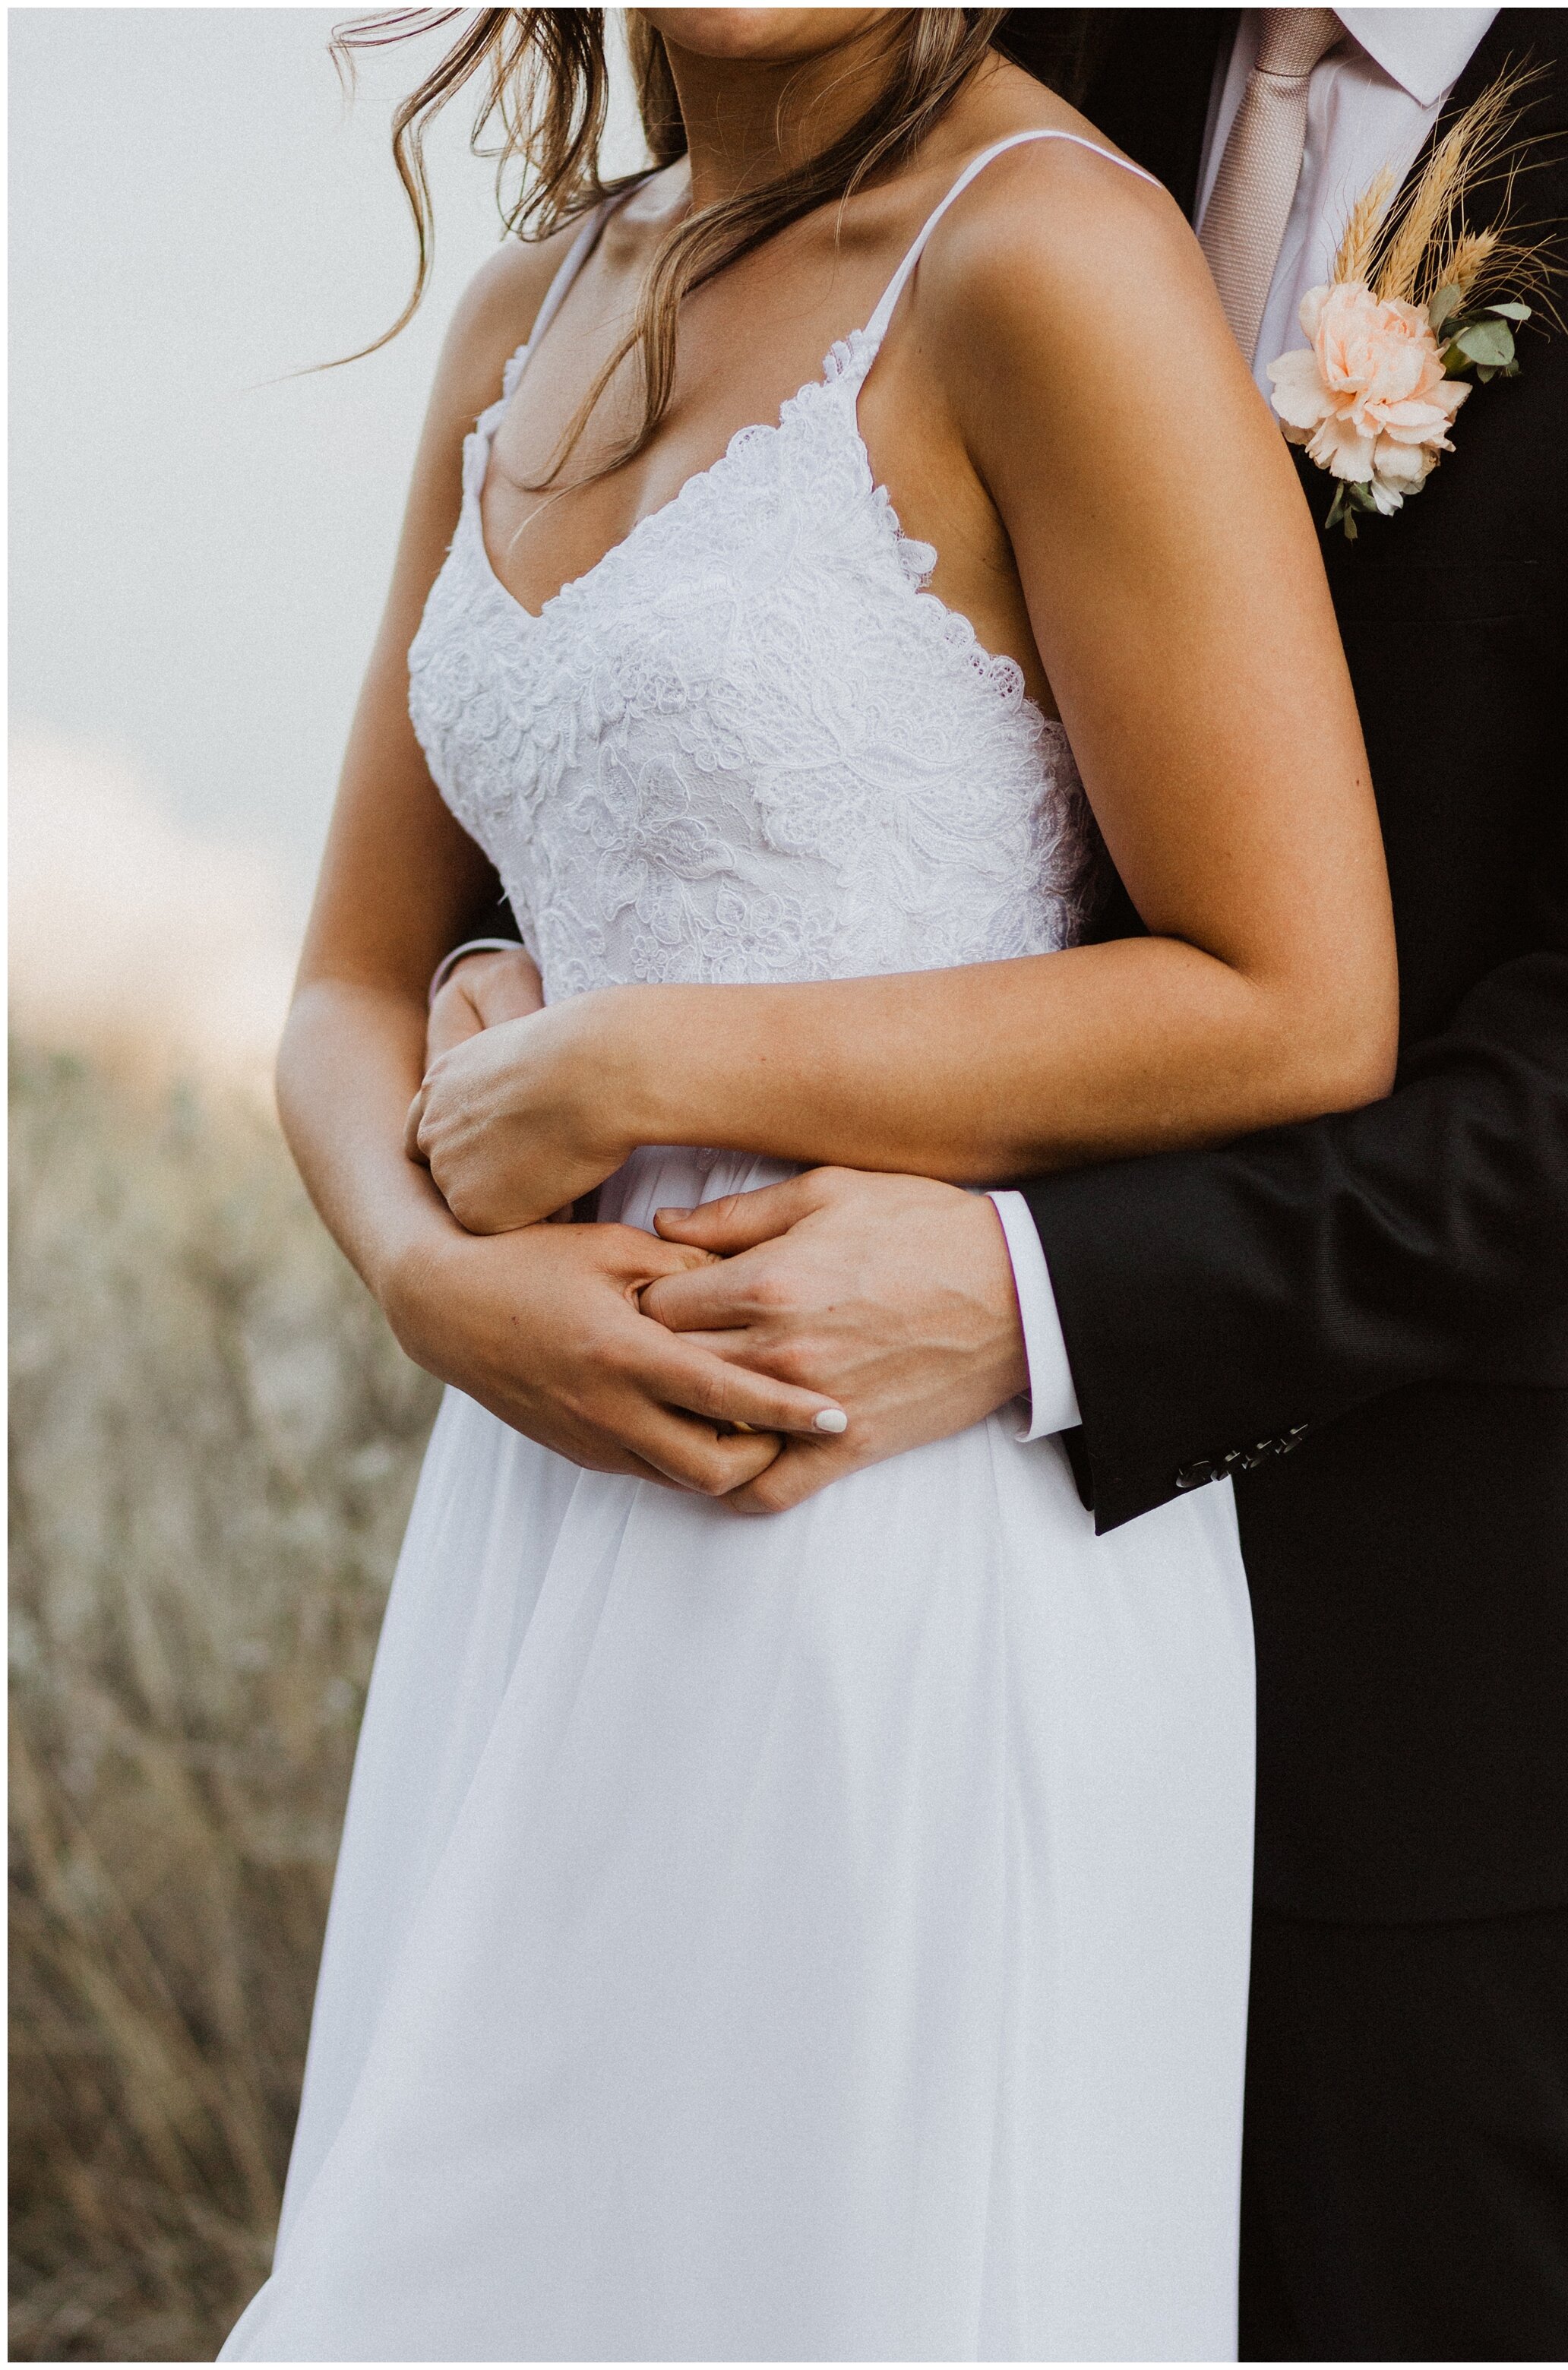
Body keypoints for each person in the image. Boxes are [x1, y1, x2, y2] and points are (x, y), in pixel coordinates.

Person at [432, 6, 1568, 2360]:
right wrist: (520, 979)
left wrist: (1035, 1295)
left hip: (1443, 1621)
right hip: (887, 1612)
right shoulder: (1003, 43)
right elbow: (745, 655)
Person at [223, 9, 1400, 2360]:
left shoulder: (1046, 257)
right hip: (534, 1515)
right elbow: (350, 983)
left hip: (885, 1515)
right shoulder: (522, 311)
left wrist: (655, 1061)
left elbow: (1294, 990)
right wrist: (424, 1277)